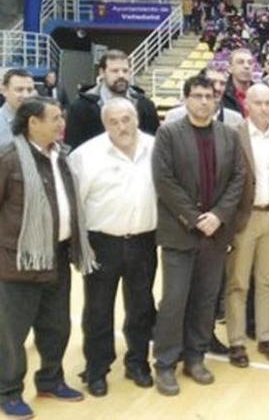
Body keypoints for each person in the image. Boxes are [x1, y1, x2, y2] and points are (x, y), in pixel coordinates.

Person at [0, 97, 96, 419]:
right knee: (12, 335)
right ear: (33, 123)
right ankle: (8, 391)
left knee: (56, 326)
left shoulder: (62, 157)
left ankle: (50, 380)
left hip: (56, 257)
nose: (61, 124)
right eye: (55, 118)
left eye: (62, 118)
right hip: (17, 263)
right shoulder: (9, 159)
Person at [151, 75, 245, 396]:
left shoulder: (228, 136)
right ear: (186, 99)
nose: (204, 101)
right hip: (180, 232)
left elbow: (238, 180)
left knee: (205, 301)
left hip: (215, 234)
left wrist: (218, 216)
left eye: (210, 95)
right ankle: (165, 363)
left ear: (217, 100)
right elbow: (164, 181)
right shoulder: (168, 134)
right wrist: (194, 218)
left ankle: (195, 356)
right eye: (198, 95)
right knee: (174, 300)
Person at [68, 99, 158, 396]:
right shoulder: (85, 155)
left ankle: (138, 362)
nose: (122, 126)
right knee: (97, 310)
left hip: (144, 242)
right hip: (101, 243)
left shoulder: (155, 147)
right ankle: (96, 368)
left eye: (127, 119)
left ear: (136, 118)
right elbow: (74, 206)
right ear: (105, 124)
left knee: (142, 307)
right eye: (114, 121)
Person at [224, 85, 269, 368]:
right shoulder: (233, 135)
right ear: (247, 104)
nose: (264, 108)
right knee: (238, 282)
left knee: (268, 280)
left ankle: (265, 335)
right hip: (244, 218)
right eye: (258, 103)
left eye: (268, 103)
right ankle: (236, 341)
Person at [65, 50, 159, 149]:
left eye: (125, 71)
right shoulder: (81, 107)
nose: (121, 75)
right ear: (102, 73)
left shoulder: (145, 105)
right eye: (115, 71)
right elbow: (73, 150)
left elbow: (155, 147)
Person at [165, 68, 244, 126]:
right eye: (212, 82)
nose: (217, 88)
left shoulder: (235, 119)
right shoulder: (175, 116)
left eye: (222, 83)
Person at [0, 69, 37, 148]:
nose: (26, 95)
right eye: (19, 90)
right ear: (4, 90)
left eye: (30, 90)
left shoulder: (39, 121)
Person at [221, 48, 255, 117]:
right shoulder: (221, 94)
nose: (247, 66)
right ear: (230, 68)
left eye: (250, 63)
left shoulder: (262, 92)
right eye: (240, 62)